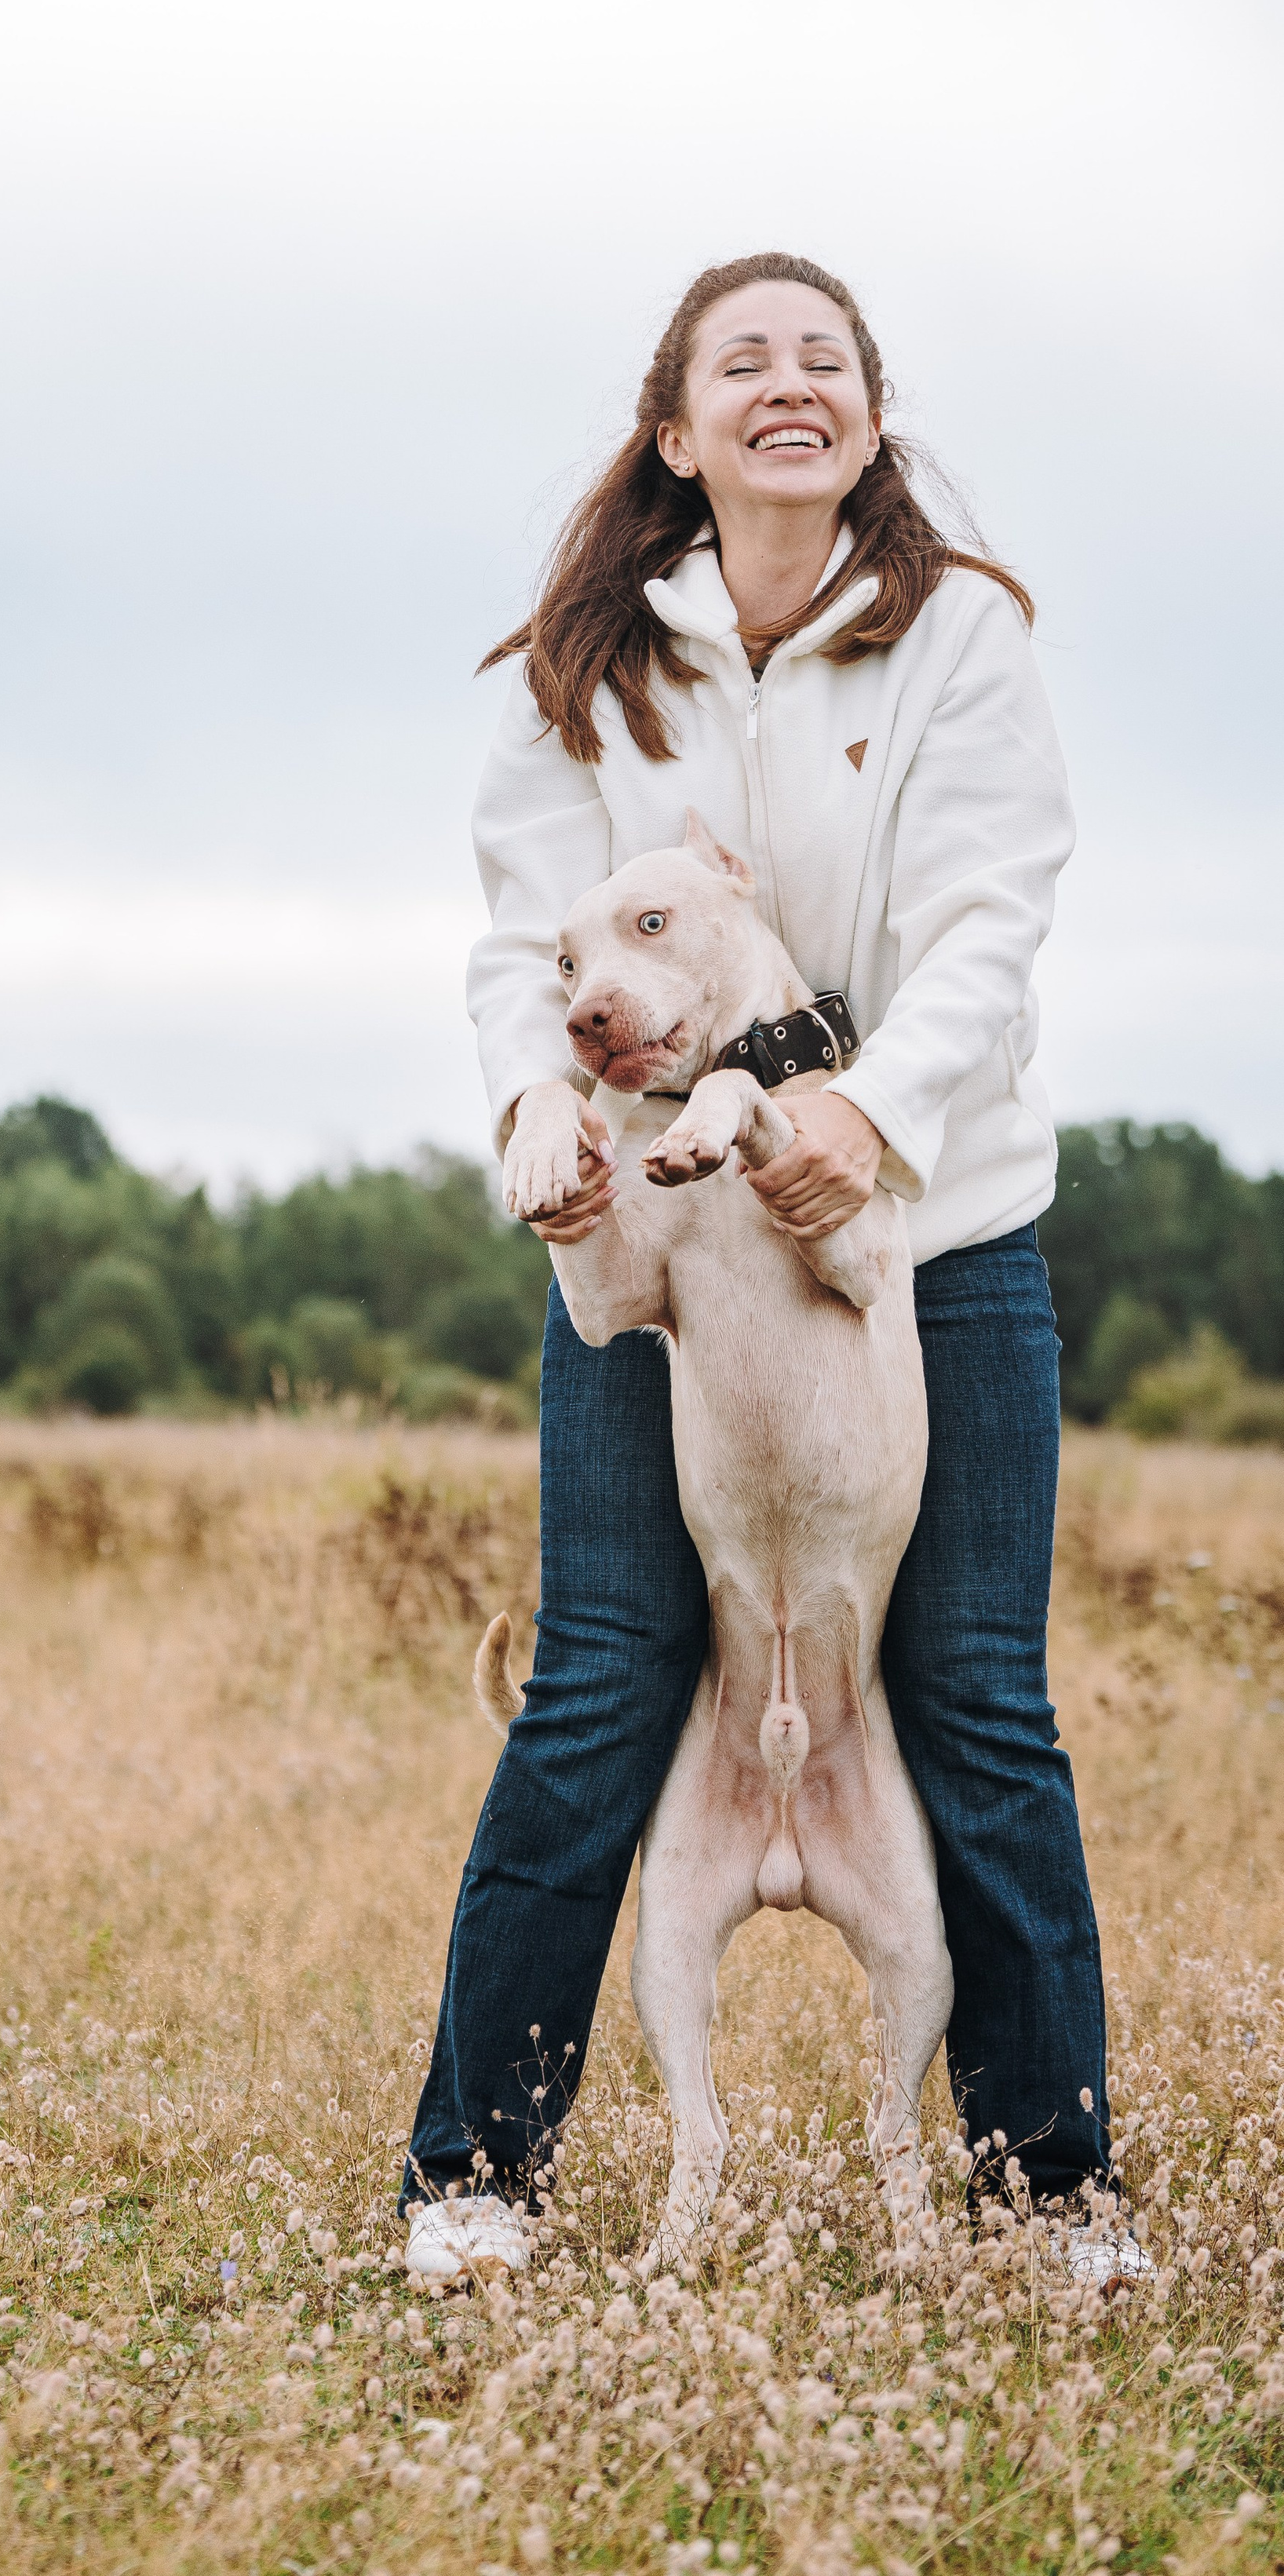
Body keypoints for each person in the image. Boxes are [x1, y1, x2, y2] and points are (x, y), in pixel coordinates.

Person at [402, 250, 1141, 2286]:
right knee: (602, 1688)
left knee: (977, 1701)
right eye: (746, 363)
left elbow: (994, 917)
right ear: (678, 429)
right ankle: (472, 2182)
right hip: (660, 1240)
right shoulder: (589, 662)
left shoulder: (958, 639)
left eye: (827, 360)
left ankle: (1053, 2197)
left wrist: (863, 1117)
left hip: (939, 1225)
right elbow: (517, 950)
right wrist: (536, 1120)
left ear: (874, 419)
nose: (789, 385)